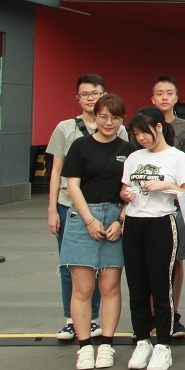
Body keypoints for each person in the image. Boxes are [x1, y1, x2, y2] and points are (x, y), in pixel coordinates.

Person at [119, 106, 185, 370]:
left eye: (145, 132)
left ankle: (163, 343)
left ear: (159, 127)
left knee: (161, 285)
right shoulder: (134, 157)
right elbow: (124, 188)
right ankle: (142, 340)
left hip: (162, 222)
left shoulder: (177, 157)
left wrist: (165, 186)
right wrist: (126, 195)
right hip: (134, 222)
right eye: (136, 134)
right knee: (137, 285)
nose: (141, 138)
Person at [60, 93, 132, 370]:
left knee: (110, 286)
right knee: (83, 287)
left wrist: (121, 221)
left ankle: (107, 345)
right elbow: (72, 185)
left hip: (115, 216)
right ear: (95, 117)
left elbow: (131, 190)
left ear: (122, 119)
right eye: (103, 116)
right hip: (82, 217)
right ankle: (84, 347)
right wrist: (89, 220)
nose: (108, 122)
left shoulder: (128, 149)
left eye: (115, 117)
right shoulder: (80, 146)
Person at [47, 74, 105, 342]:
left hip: (102, 205)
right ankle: (71, 320)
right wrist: (51, 209)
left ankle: (92, 318)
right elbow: (56, 170)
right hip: (67, 204)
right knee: (68, 264)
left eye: (95, 93)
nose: (90, 98)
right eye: (85, 94)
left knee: (100, 265)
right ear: (78, 99)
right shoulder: (65, 128)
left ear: (104, 95)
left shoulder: (115, 126)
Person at [150, 76, 185, 336]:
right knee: (150, 262)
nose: (164, 97)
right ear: (152, 98)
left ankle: (173, 314)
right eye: (160, 93)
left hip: (176, 201)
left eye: (169, 93)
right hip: (148, 203)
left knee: (175, 259)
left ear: (177, 98)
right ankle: (152, 315)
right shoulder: (144, 122)